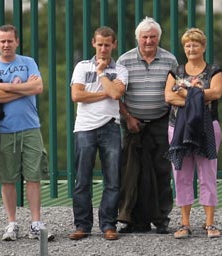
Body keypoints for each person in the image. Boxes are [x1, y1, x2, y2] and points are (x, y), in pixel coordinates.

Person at [0, 24, 53, 241]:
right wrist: (23, 89)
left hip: (30, 127)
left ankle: (35, 222)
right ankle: (12, 223)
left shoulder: (28, 62)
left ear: (17, 42)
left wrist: (6, 87)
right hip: (4, 129)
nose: (6, 45)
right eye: (2, 41)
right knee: (7, 178)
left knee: (33, 176)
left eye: (10, 41)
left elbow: (38, 88)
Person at [117, 16, 178, 234]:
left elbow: (175, 91)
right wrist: (128, 118)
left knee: (162, 170)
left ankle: (161, 218)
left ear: (158, 38)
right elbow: (117, 96)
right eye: (145, 37)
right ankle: (135, 220)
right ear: (138, 39)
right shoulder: (124, 61)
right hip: (133, 123)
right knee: (132, 172)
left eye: (153, 37)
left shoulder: (170, 60)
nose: (149, 41)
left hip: (161, 121)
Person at [67, 26, 128, 241]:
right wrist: (105, 93)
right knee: (82, 179)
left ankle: (108, 225)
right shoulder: (82, 66)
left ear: (114, 45)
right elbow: (77, 95)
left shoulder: (120, 69)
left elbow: (117, 93)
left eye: (107, 44)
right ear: (93, 43)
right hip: (84, 128)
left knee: (112, 179)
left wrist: (102, 73)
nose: (103, 48)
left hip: (111, 127)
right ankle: (82, 225)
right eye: (100, 44)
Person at [164, 28, 222, 239]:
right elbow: (168, 97)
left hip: (207, 127)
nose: (191, 48)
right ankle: (184, 223)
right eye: (188, 45)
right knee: (181, 173)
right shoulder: (176, 71)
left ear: (203, 47)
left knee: (208, 173)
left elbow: (216, 93)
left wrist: (185, 93)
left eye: (195, 45)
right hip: (177, 127)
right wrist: (197, 97)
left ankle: (210, 223)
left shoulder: (214, 71)